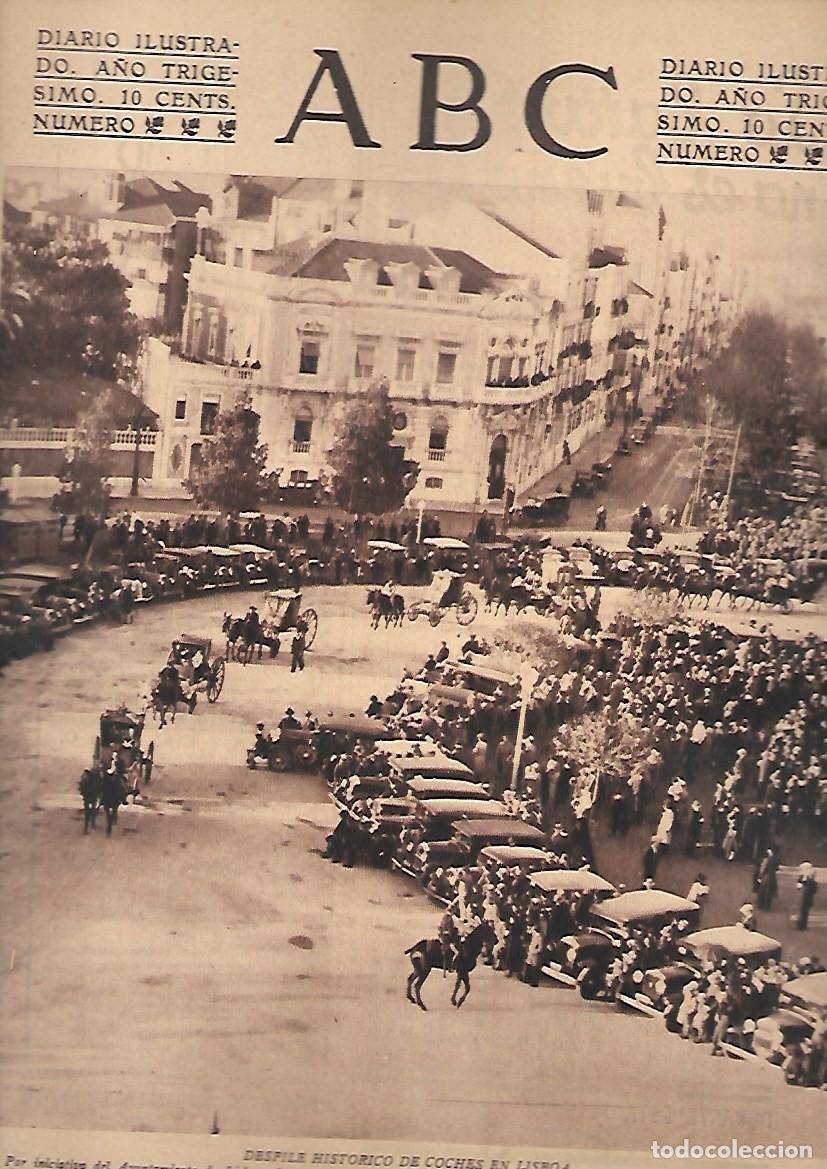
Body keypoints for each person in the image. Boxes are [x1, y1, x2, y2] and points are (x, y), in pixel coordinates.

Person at [797, 863, 819, 931]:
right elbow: (815, 889)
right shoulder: (811, 879)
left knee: (803, 911)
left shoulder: (803, 877)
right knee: (805, 911)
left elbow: (799, 886)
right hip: (807, 896)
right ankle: (802, 925)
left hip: (804, 896)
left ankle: (801, 925)